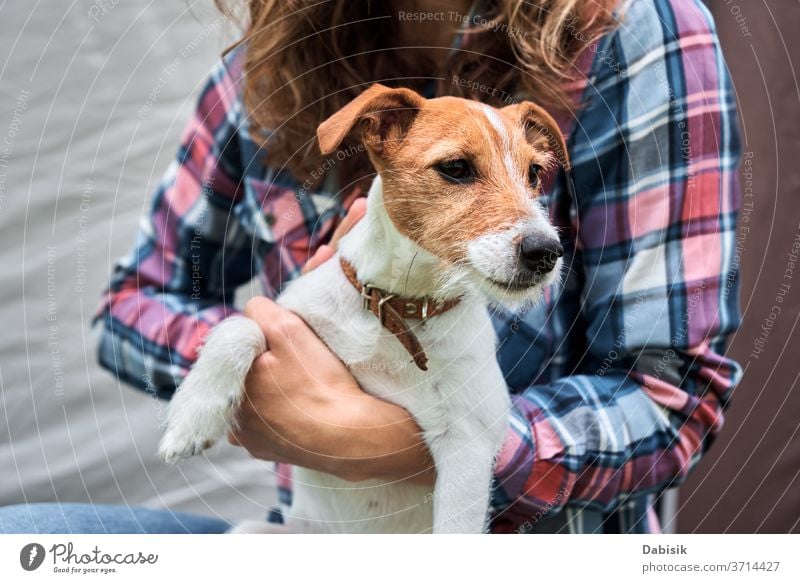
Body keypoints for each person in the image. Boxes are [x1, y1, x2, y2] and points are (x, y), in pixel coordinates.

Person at [0, 0, 742, 534]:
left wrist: (385, 437)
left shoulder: (634, 33)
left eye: (537, 177)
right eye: (456, 170)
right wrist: (263, 368)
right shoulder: (270, 70)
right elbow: (139, 299)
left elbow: (671, 398)